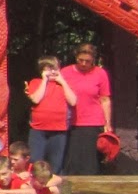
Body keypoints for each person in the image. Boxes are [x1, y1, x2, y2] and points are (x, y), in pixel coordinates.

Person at [62, 42, 112, 175]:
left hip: (93, 121)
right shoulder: (65, 72)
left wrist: (107, 124)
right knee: (71, 159)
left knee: (90, 161)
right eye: (81, 60)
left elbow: (105, 99)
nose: (84, 64)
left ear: (93, 60)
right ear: (76, 57)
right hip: (71, 121)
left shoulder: (100, 73)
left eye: (88, 61)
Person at [25, 55, 75, 175]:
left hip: (59, 130)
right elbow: (36, 99)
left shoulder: (64, 85)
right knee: (35, 160)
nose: (52, 72)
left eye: (54, 69)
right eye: (48, 69)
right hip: (38, 129)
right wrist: (44, 81)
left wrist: (62, 82)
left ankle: (53, 189)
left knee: (55, 163)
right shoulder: (35, 82)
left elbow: (73, 101)